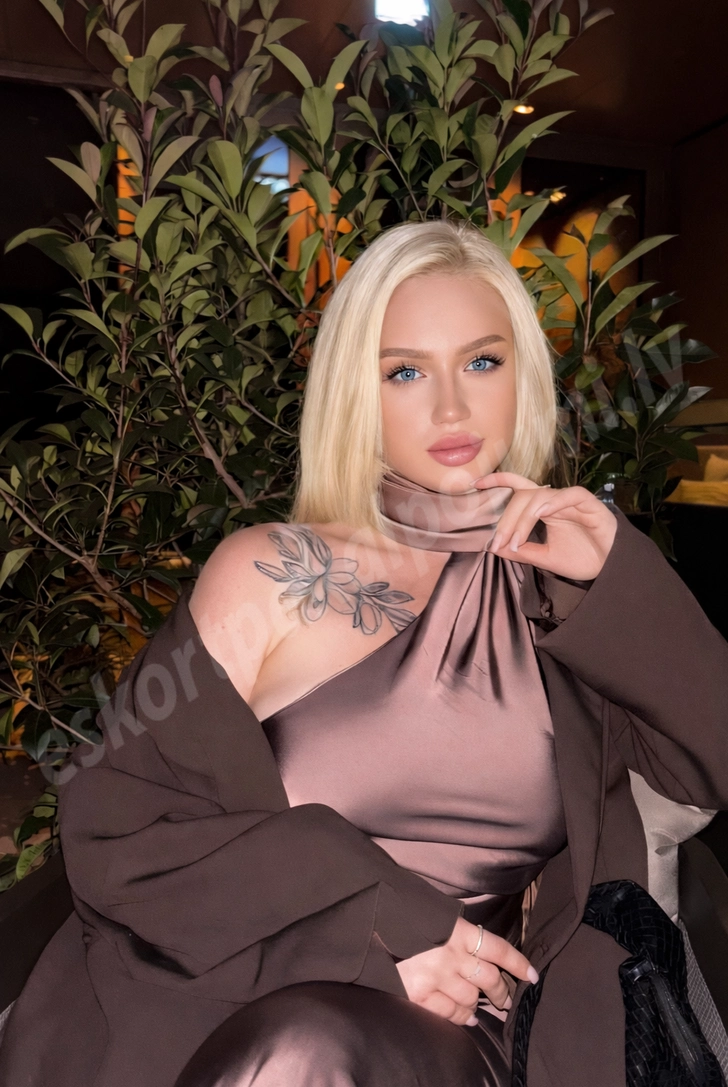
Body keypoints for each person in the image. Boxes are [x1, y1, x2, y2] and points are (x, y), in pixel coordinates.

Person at [0, 220, 727, 1087]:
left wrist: (615, 580)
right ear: (358, 391)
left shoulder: (560, 593)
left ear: (523, 377)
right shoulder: (269, 574)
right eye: (405, 371)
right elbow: (118, 820)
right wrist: (380, 925)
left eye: (482, 362)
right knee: (299, 1046)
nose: (451, 408)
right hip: (244, 979)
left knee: (307, 1049)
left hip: (468, 1030)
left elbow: (706, 758)